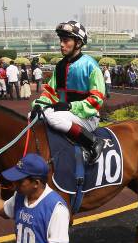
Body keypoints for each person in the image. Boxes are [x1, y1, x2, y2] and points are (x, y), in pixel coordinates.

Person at [31, 20, 105, 164]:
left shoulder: (90, 65)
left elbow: (97, 99)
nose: (61, 44)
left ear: (78, 43)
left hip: (88, 117)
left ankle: (94, 142)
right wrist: (38, 104)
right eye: (60, 40)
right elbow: (50, 93)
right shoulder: (60, 66)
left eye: (66, 40)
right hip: (66, 114)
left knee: (54, 118)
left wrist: (71, 106)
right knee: (33, 115)